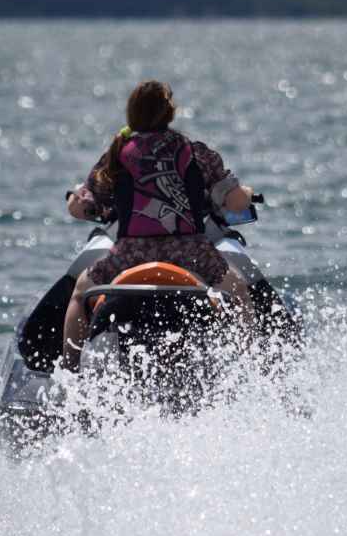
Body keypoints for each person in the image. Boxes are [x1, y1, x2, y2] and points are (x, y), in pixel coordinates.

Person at [61, 80, 254, 370]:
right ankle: (251, 372)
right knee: (238, 291)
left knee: (80, 292)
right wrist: (248, 193)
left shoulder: (117, 153)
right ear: (169, 113)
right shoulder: (194, 151)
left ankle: (70, 372)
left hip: (131, 254)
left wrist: (79, 201)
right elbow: (237, 203)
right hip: (190, 253)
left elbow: (79, 208)